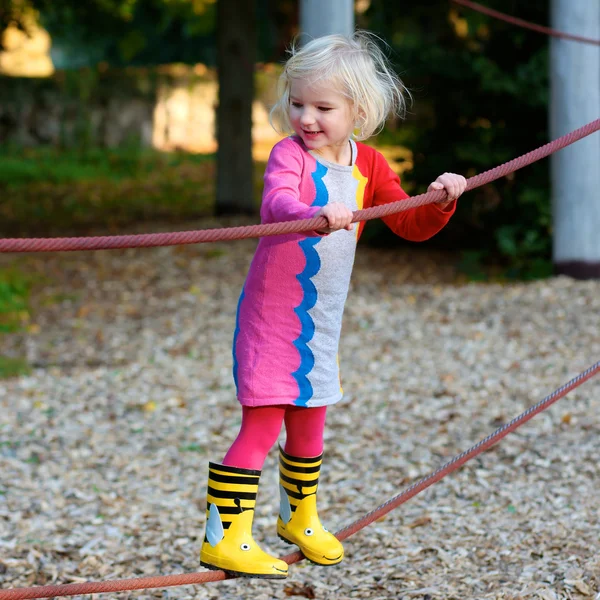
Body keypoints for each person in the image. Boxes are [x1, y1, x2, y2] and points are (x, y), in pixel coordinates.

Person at [199, 31, 467, 579]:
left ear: (359, 110)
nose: (307, 118)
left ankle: (299, 517)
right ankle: (224, 537)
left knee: (311, 421)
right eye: (298, 104)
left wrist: (442, 199)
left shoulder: (369, 163)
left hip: (319, 323)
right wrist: (309, 210)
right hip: (273, 321)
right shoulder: (289, 155)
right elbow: (275, 200)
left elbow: (408, 221)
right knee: (263, 424)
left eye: (323, 107)